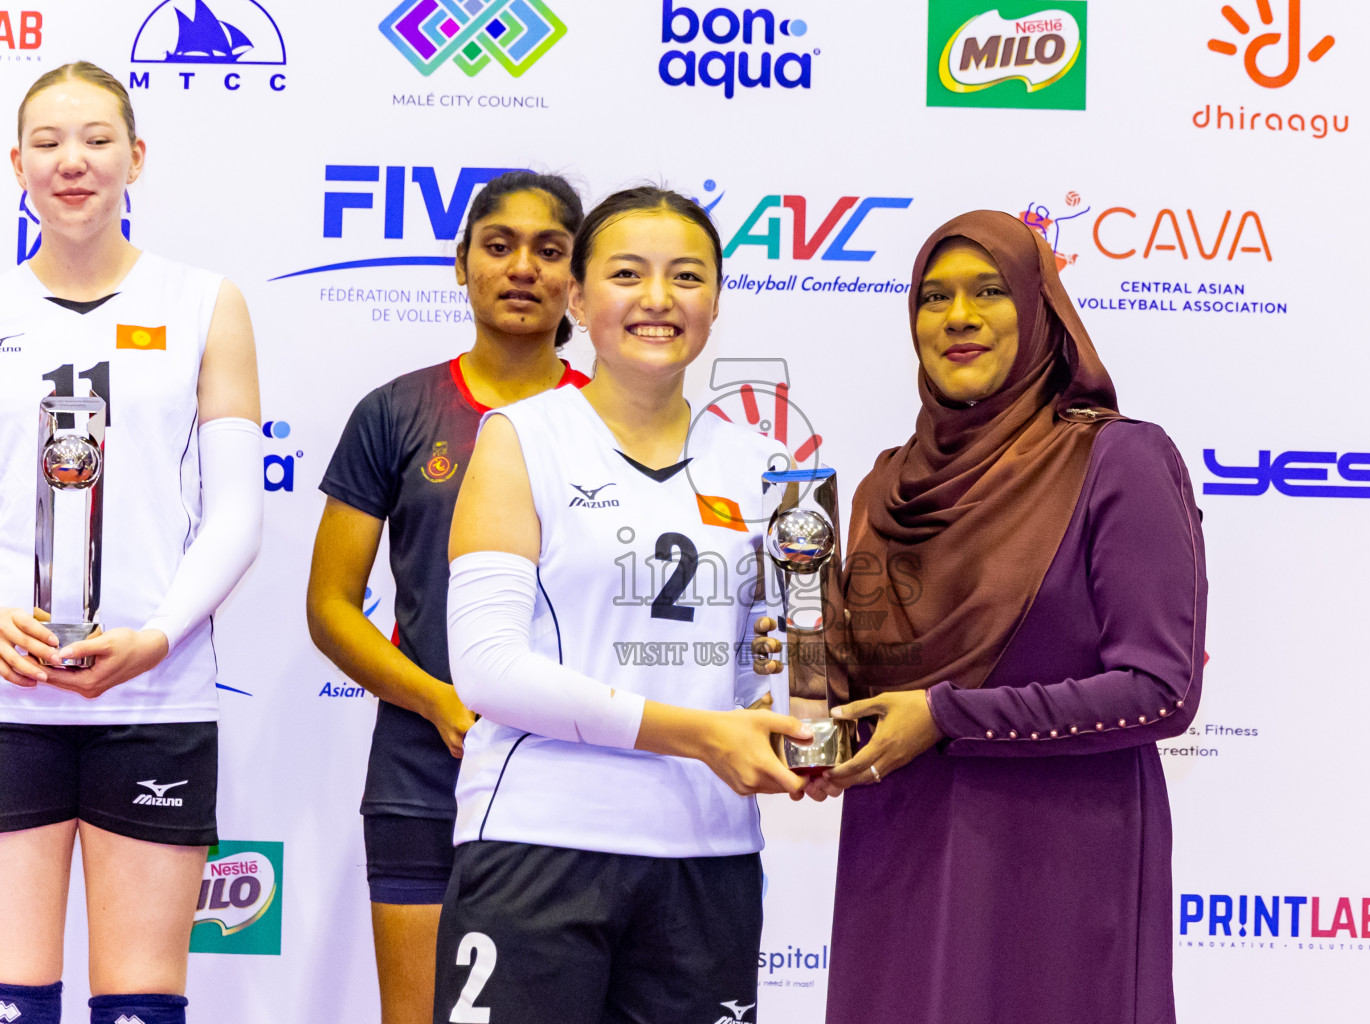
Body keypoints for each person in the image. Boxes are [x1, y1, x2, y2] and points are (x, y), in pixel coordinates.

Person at [809, 211, 1207, 1024]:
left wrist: (945, 717)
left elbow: (1161, 690)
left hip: (1055, 878)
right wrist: (800, 680)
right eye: (933, 297)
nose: (958, 317)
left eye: (988, 291)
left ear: (1038, 311)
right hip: (901, 860)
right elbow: (852, 685)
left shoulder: (1115, 460)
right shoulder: (884, 488)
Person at [435, 186, 809, 1024]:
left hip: (707, 855)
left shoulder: (768, 466)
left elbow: (775, 667)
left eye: (685, 276)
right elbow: (489, 672)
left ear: (715, 300)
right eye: (627, 274)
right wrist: (702, 733)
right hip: (540, 845)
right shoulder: (522, 437)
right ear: (578, 296)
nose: (656, 300)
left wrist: (801, 727)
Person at [0, 63, 262, 1024]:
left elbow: (237, 513)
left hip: (156, 694)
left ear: (136, 158)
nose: (74, 161)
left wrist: (156, 638)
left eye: (98, 139)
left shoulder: (205, 302)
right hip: (8, 700)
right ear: (17, 163)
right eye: (50, 141)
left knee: (141, 1008)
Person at [306, 171, 590, 1024]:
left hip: (576, 772)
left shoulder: (614, 419)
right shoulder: (395, 411)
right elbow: (330, 607)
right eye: (498, 246)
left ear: (576, 278)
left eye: (550, 250)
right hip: (421, 773)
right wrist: (438, 703)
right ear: (460, 264)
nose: (522, 268)